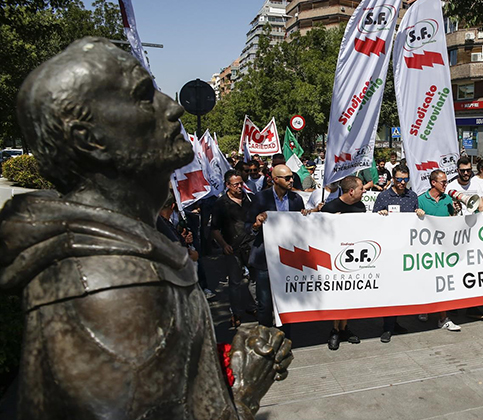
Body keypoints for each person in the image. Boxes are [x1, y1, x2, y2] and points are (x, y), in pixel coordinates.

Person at [2, 37, 291, 420]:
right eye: (143, 95)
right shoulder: (115, 289)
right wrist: (245, 390)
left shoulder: (131, 254)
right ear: (89, 138)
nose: (171, 107)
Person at [248, 164, 310, 331]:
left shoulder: (296, 199)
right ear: (275, 179)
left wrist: (305, 217)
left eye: (292, 177)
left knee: (286, 301)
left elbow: (300, 229)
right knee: (265, 303)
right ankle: (265, 338)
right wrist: (256, 223)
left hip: (288, 258)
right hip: (265, 259)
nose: (292, 181)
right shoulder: (260, 198)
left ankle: (285, 338)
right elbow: (247, 227)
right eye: (287, 178)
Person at [373, 164, 425, 341]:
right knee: (389, 289)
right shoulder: (383, 196)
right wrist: (380, 214)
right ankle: (387, 327)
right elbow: (372, 220)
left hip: (406, 249)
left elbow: (415, 223)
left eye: (405, 179)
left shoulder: (413, 196)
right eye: (399, 179)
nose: (402, 183)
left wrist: (419, 214)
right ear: (392, 179)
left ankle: (394, 323)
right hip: (388, 250)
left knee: (399, 289)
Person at [320, 176, 366, 350]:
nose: (364, 190)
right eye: (361, 188)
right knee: (337, 295)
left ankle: (345, 327)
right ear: (351, 191)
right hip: (333, 259)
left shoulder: (361, 207)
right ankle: (335, 330)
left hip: (354, 258)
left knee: (349, 295)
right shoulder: (330, 208)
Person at [416, 170, 462, 333]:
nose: (445, 184)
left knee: (442, 283)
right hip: (427, 249)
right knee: (427, 280)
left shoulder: (448, 199)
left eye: (446, 181)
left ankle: (443, 318)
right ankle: (425, 308)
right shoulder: (421, 200)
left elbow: (452, 222)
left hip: (444, 249)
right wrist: (417, 214)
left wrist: (456, 212)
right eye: (442, 181)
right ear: (433, 183)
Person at [444, 157, 483, 320]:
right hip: (457, 233)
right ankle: (453, 306)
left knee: (472, 268)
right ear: (457, 170)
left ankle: (471, 306)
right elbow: (448, 210)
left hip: (474, 231)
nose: (465, 173)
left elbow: (480, 203)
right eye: (462, 170)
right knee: (456, 268)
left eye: (468, 170)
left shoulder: (476, 183)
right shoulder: (451, 187)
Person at [212, 170, 257, 328]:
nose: (239, 187)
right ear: (227, 185)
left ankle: (255, 307)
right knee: (235, 282)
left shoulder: (250, 198)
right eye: (235, 184)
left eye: (241, 183)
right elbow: (214, 229)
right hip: (232, 248)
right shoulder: (220, 203)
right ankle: (236, 313)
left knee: (254, 278)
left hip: (251, 246)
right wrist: (224, 245)